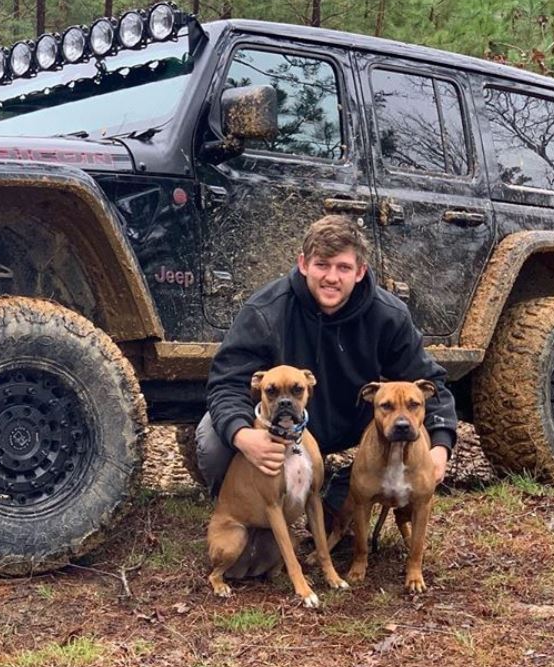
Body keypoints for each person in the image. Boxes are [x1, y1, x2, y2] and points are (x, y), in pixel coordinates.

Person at [195, 215, 458, 521]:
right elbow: (226, 383)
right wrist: (242, 435)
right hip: (283, 430)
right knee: (214, 440)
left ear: (360, 271)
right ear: (303, 264)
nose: (332, 277)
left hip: (357, 429)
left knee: (346, 510)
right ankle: (246, 518)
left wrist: (440, 446)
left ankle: (338, 494)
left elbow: (430, 383)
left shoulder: (389, 316)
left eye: (343, 267)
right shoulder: (265, 311)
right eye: (322, 265)